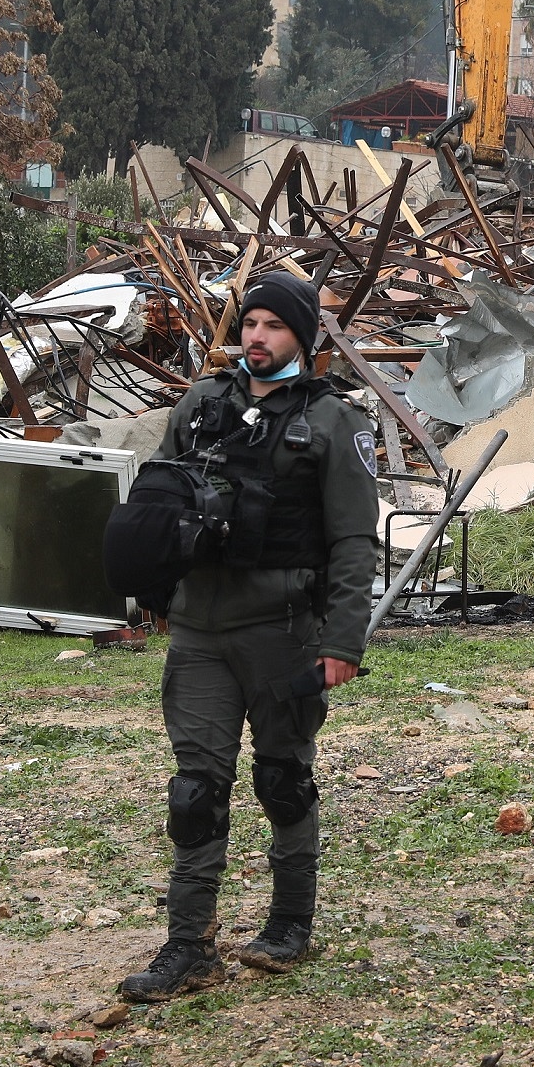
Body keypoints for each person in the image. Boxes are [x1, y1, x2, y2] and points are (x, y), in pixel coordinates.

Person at [119, 272, 381, 1002]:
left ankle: (290, 922)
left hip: (284, 631)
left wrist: (343, 642)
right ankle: (188, 947)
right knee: (195, 790)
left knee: (282, 778)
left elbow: (356, 541)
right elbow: (158, 498)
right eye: (249, 323)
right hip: (200, 629)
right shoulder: (202, 404)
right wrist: (150, 587)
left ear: (302, 335)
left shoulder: (335, 422)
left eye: (271, 325)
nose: (256, 337)